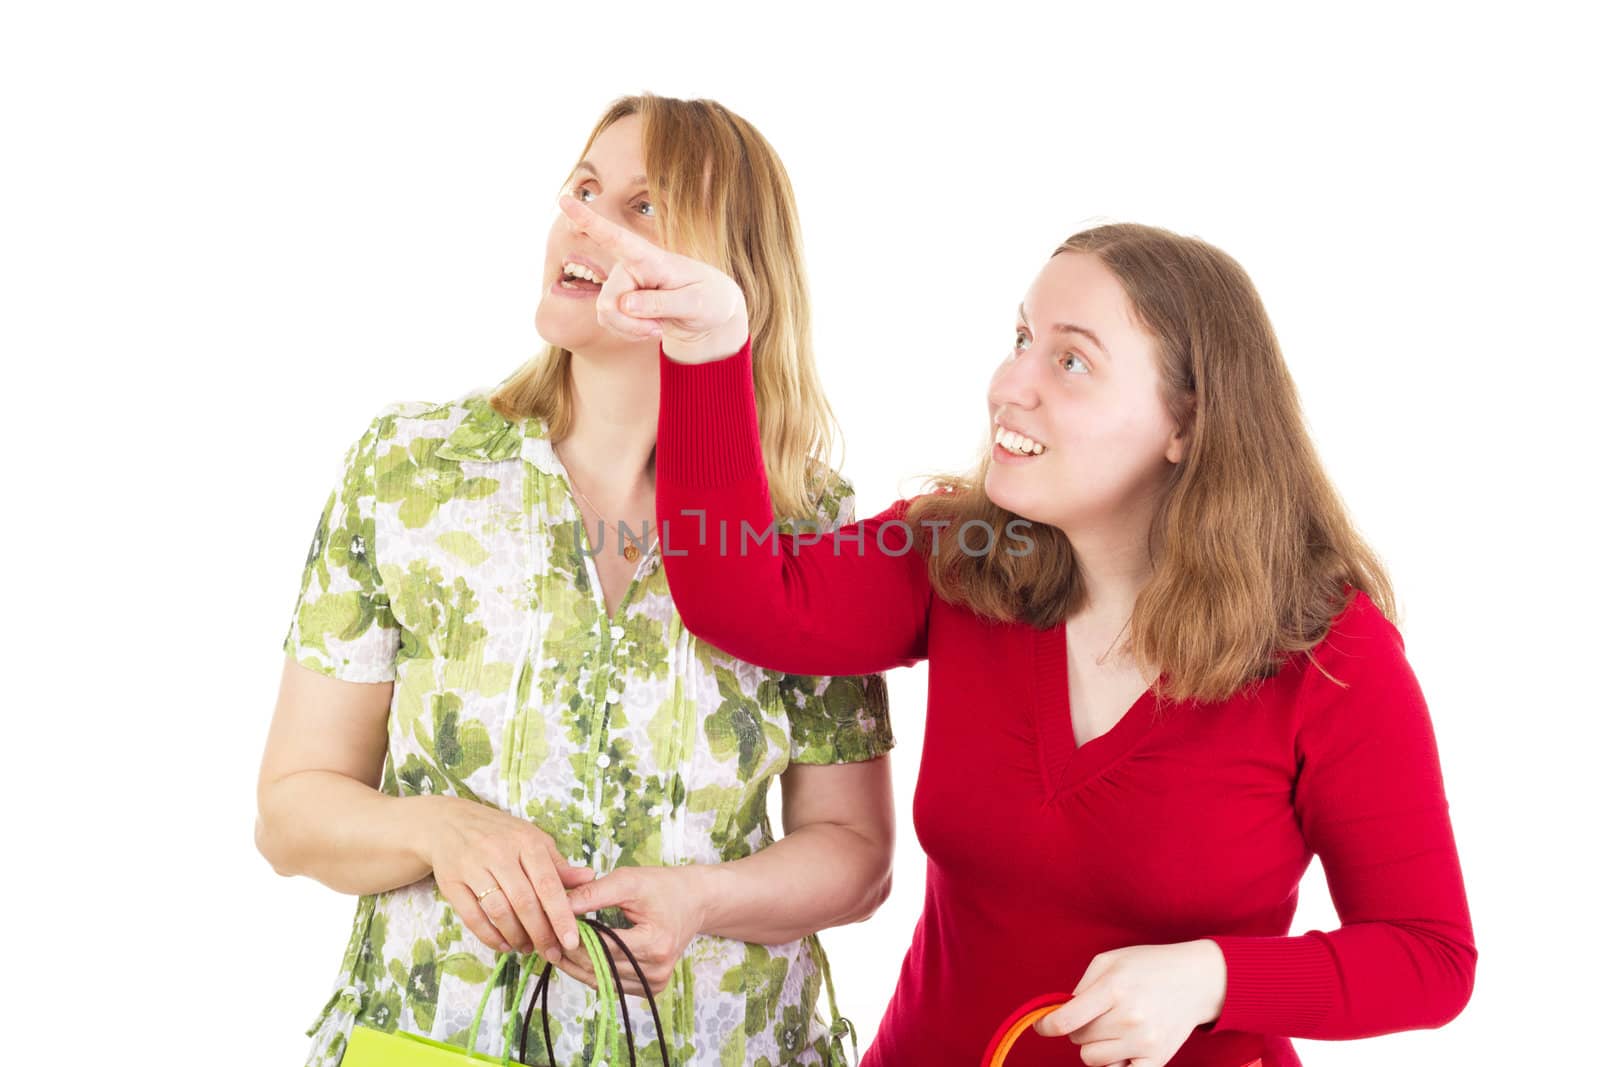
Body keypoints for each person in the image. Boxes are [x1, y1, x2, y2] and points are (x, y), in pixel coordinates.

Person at [556, 195, 1477, 1067]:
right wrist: (714, 345)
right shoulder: (961, 556)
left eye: (1069, 360)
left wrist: (1213, 978)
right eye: (1021, 339)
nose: (1009, 384)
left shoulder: (1327, 653)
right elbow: (741, 599)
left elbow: (1431, 957)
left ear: (1187, 424)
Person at [255, 94, 895, 1067]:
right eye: (585, 187)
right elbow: (292, 810)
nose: (583, 221)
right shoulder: (410, 467)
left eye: (645, 206)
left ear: (732, 268)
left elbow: (853, 853)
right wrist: (439, 826)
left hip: (723, 1044)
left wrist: (703, 898)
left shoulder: (806, 518)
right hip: (435, 1038)